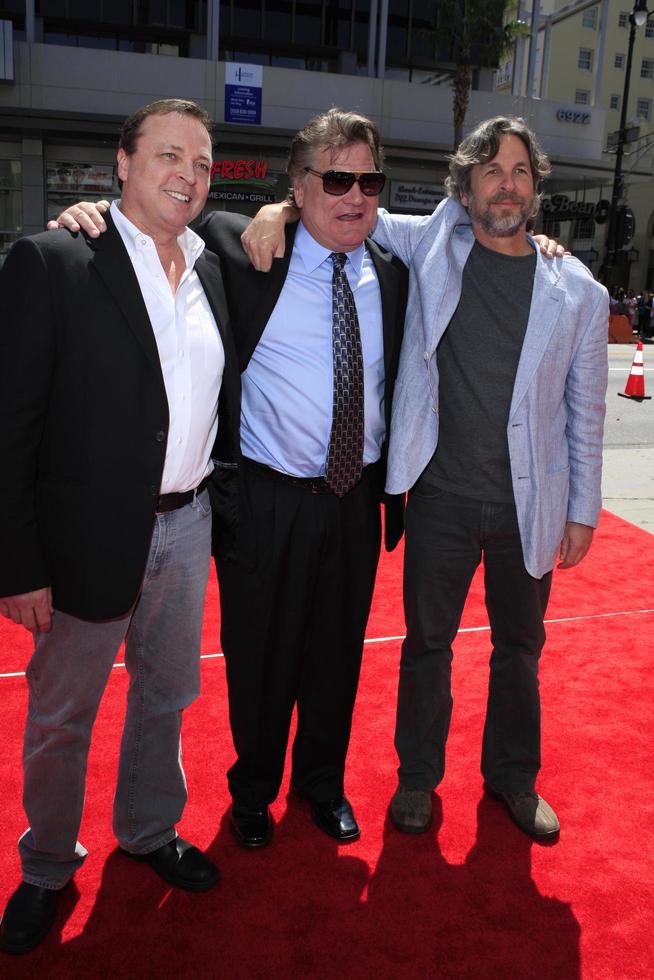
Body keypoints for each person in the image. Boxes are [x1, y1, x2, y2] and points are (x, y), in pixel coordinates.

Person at [241, 115, 608, 840]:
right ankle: (416, 780)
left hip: (529, 504)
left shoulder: (581, 292)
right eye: (492, 171)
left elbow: (585, 412)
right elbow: (346, 209)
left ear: (536, 189)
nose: (508, 184)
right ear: (464, 186)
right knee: (426, 647)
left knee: (520, 651)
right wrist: (277, 205)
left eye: (521, 172)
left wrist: (584, 511)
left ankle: (511, 778)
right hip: (437, 496)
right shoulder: (429, 242)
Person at [55, 108, 408, 848]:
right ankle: (252, 790)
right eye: (335, 179)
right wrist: (82, 214)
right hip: (267, 499)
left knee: (337, 655)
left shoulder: (394, 273)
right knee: (260, 657)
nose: (355, 196)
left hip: (354, 499)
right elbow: (147, 228)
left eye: (368, 180)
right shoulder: (238, 251)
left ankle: (321, 783)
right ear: (298, 189)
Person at [0, 98, 240, 955]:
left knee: (167, 698)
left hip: (187, 527)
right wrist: (18, 563)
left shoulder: (215, 267)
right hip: (83, 538)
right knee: (62, 716)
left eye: (204, 162)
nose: (189, 173)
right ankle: (45, 868)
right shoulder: (56, 257)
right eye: (170, 155)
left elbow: (319, 215)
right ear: (124, 163)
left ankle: (146, 831)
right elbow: (11, 426)